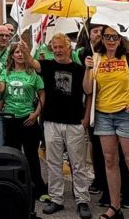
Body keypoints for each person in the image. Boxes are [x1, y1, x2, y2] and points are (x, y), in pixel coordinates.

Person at [28, 33, 93, 218]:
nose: (57, 50)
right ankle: (56, 199)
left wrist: (86, 119)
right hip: (51, 121)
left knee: (78, 164)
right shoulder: (48, 65)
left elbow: (88, 92)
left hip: (74, 122)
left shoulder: (80, 69)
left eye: (60, 47)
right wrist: (25, 50)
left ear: (68, 48)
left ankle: (82, 200)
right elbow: (32, 63)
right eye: (54, 47)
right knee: (53, 163)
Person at [87, 28, 129, 219]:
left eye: (115, 37)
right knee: (110, 160)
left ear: (120, 39)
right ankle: (114, 206)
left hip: (126, 114)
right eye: (107, 37)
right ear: (102, 39)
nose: (111, 40)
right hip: (103, 115)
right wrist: (88, 69)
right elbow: (87, 89)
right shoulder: (96, 58)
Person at [1, 41, 47, 200]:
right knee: (13, 155)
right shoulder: (5, 73)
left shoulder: (33, 73)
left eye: (22, 52)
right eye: (16, 52)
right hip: (10, 118)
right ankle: (15, 186)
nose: (20, 55)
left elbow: (42, 94)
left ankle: (38, 187)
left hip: (28, 118)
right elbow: (0, 90)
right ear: (12, 56)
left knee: (31, 155)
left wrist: (36, 114)